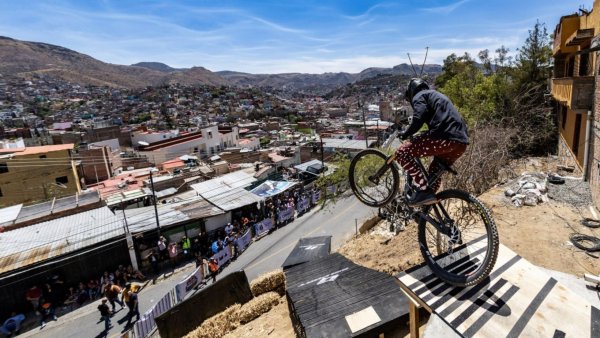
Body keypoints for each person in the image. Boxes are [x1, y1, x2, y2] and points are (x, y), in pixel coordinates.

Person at [396, 78, 469, 206]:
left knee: (401, 153)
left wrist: (406, 133)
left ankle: (423, 190)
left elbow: (419, 117)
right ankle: (427, 205)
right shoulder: (437, 96)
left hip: (444, 137)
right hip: (460, 143)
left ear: (412, 92)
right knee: (434, 171)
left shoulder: (419, 95)